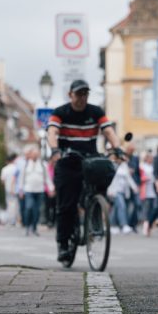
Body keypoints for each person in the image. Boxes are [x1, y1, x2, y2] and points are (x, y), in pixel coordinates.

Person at [48, 79, 123, 263]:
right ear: (70, 95)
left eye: (85, 94)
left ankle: (96, 217)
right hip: (67, 160)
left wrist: (117, 147)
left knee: (102, 178)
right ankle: (63, 243)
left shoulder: (95, 111)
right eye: (79, 94)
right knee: (66, 204)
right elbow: (52, 132)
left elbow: (109, 131)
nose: (82, 98)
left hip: (89, 160)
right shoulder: (61, 112)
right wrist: (55, 149)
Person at [19, 146, 51, 236]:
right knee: (29, 207)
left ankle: (34, 227)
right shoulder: (25, 165)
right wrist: (20, 190)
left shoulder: (43, 164)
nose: (34, 156)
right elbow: (21, 178)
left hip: (39, 190)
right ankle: (27, 226)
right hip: (28, 189)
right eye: (33, 154)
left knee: (37, 210)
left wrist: (51, 188)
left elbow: (47, 177)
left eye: (36, 154)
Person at [108, 158, 139, 233]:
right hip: (115, 191)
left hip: (123, 191)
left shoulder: (124, 166)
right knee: (122, 206)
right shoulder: (112, 165)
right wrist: (110, 189)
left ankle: (112, 225)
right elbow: (111, 179)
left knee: (116, 208)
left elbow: (128, 178)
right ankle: (124, 225)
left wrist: (134, 187)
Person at [139, 151, 157, 236]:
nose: (151, 159)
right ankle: (145, 227)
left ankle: (150, 226)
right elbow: (139, 178)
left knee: (154, 209)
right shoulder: (142, 166)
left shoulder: (153, 167)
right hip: (145, 191)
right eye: (149, 158)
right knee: (146, 210)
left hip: (153, 191)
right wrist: (145, 179)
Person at [124, 142, 142, 230]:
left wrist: (139, 184)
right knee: (126, 206)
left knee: (137, 204)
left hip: (135, 185)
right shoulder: (123, 158)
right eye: (130, 150)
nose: (131, 151)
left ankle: (132, 224)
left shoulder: (135, 158)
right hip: (125, 186)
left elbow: (138, 172)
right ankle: (125, 224)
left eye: (132, 150)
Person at [0, 154, 20, 226]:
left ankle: (11, 220)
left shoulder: (4, 169)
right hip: (18, 189)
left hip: (8, 189)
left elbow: (2, 180)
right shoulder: (17, 168)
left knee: (10, 205)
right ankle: (18, 220)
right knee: (17, 205)